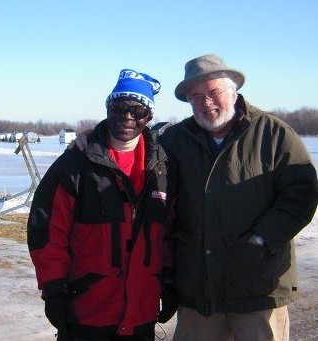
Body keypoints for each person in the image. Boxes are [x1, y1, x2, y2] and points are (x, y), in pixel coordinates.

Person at [159, 54, 318, 341]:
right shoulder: (175, 140)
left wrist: (262, 238)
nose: (206, 103)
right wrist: (92, 137)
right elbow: (130, 148)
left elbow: (301, 194)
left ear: (234, 91)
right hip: (199, 289)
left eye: (214, 92)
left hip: (258, 285)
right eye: (196, 97)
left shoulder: (274, 133)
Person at [27, 69, 177, 341]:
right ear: (108, 109)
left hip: (140, 312)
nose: (127, 117)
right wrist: (53, 289)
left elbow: (170, 233)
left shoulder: (164, 168)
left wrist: (169, 282)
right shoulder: (77, 163)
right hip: (87, 310)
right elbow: (47, 229)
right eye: (119, 108)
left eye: (138, 110)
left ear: (149, 116)